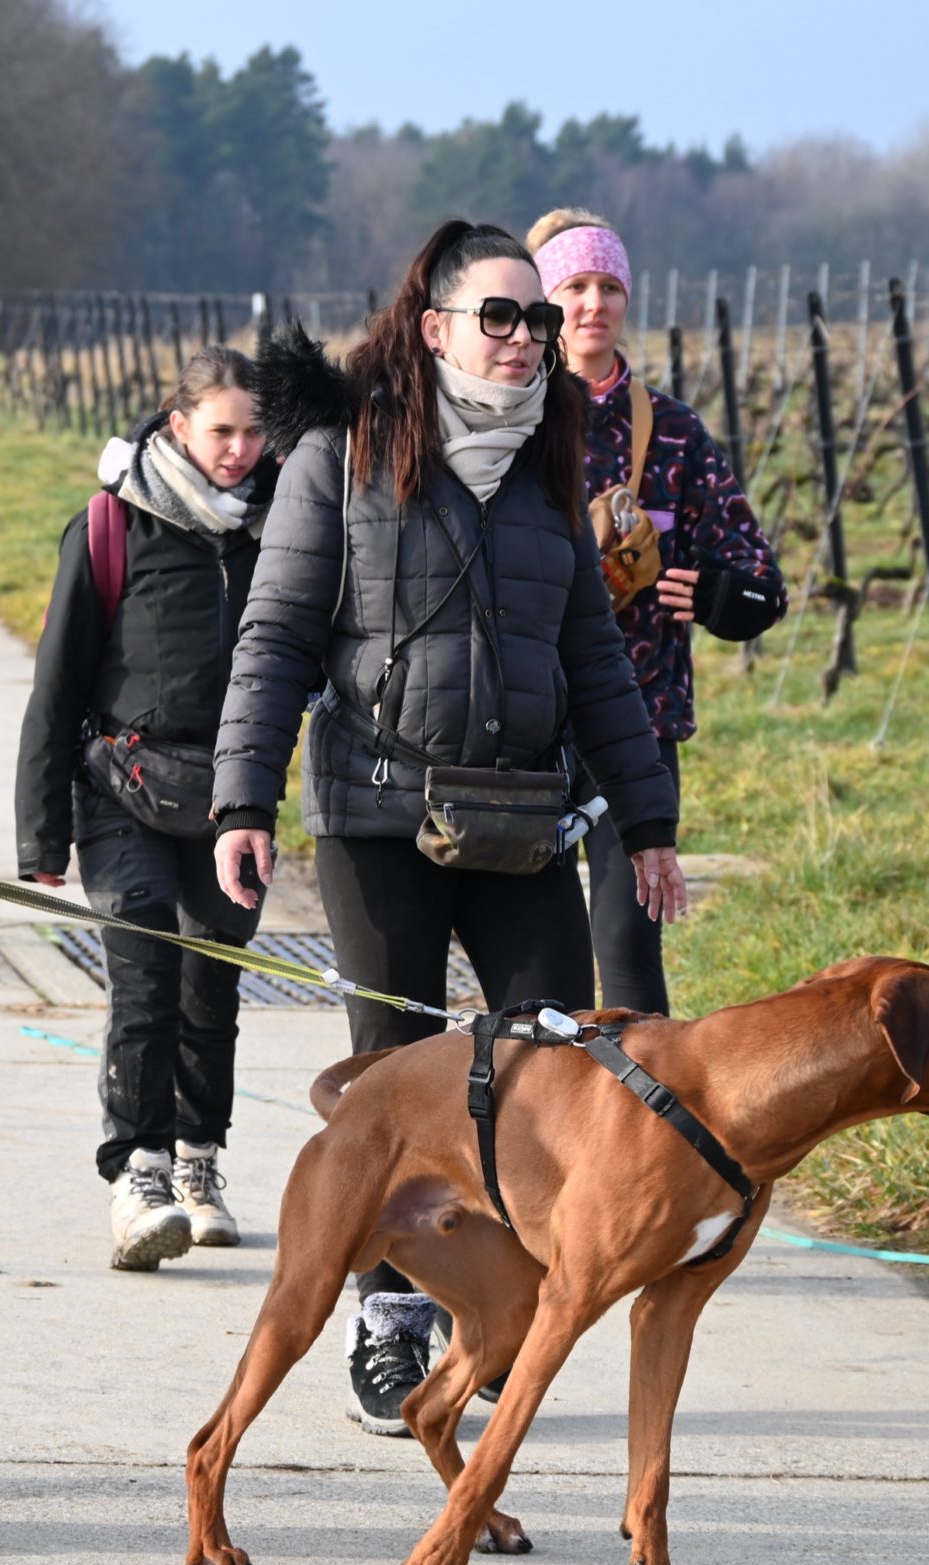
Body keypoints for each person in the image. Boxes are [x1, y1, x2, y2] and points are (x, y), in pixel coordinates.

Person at [213, 219, 684, 1432]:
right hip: (380, 817)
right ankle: (389, 1314)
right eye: (501, 315)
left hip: (525, 816)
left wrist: (648, 821)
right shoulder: (341, 456)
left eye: (537, 318)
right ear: (433, 330)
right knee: (390, 1072)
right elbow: (273, 635)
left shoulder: (550, 472)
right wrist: (242, 798)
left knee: (558, 1062)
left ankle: (505, 1310)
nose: (526, 337)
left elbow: (594, 659)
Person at [17, 349, 272, 1269]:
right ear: (176, 427)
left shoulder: (281, 530)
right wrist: (41, 833)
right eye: (221, 431)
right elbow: (55, 688)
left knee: (212, 987)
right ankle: (140, 1171)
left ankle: (201, 1161)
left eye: (253, 432)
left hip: (233, 798)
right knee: (144, 977)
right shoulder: (109, 528)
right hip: (118, 788)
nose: (238, 450)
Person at [528, 208, 784, 1012]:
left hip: (638, 721)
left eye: (609, 286)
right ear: (543, 302)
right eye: (574, 286)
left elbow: (759, 582)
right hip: (522, 717)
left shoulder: (672, 433)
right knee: (535, 952)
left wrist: (708, 591)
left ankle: (646, 1127)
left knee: (630, 943)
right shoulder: (511, 420)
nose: (593, 303)